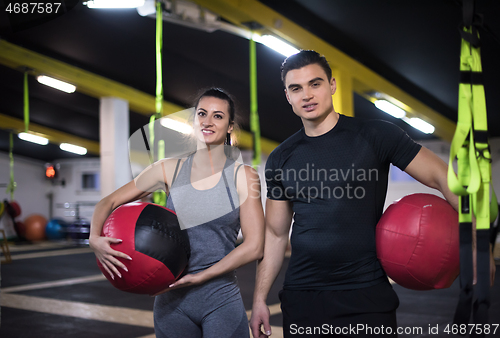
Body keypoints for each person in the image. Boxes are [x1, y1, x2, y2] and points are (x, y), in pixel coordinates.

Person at [249, 50, 496, 338]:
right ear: (288, 96)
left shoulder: (375, 135)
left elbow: (444, 178)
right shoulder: (281, 158)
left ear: (332, 85)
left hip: (365, 295)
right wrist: (258, 300)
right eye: (296, 88)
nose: (306, 95)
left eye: (315, 84)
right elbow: (276, 235)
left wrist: (480, 246)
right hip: (303, 296)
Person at [90, 88, 265, 338]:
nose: (207, 121)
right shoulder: (169, 169)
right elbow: (108, 202)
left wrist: (201, 276)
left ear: (229, 126)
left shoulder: (243, 176)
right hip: (171, 301)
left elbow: (255, 245)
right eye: (202, 114)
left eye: (218, 116)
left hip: (219, 297)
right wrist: (94, 238)